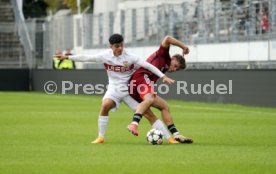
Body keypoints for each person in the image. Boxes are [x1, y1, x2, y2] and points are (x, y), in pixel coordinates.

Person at [54, 34, 176, 144]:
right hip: (114, 90)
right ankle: (100, 137)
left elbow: (148, 65)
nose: (120, 48)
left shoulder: (131, 57)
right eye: (117, 46)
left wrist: (163, 76)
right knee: (105, 105)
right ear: (111, 46)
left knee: (148, 114)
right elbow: (86, 57)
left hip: (130, 90)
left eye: (121, 45)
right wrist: (68, 58)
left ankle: (169, 138)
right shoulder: (105, 56)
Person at [127, 35, 193, 143]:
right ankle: (134, 124)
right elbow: (167, 38)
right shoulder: (164, 55)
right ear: (172, 59)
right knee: (150, 98)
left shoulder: (165, 66)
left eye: (177, 69)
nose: (174, 69)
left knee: (164, 106)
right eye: (175, 65)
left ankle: (175, 134)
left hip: (137, 86)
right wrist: (183, 46)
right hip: (140, 78)